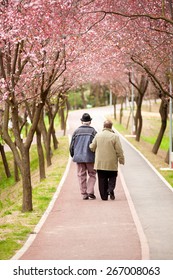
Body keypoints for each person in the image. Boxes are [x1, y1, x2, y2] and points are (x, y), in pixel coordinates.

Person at [89, 120, 125, 201]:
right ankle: (110, 188)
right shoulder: (115, 136)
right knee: (112, 177)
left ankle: (104, 196)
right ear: (111, 127)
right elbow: (119, 150)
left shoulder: (98, 135)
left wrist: (90, 146)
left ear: (104, 126)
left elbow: (92, 147)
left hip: (100, 163)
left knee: (102, 179)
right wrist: (121, 159)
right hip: (112, 163)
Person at [70, 113, 97, 200]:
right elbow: (97, 145)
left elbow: (71, 146)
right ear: (90, 122)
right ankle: (90, 191)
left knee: (81, 175)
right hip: (90, 157)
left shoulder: (76, 131)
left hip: (79, 157)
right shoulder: (93, 131)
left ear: (82, 121)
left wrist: (73, 155)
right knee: (92, 174)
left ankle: (84, 193)